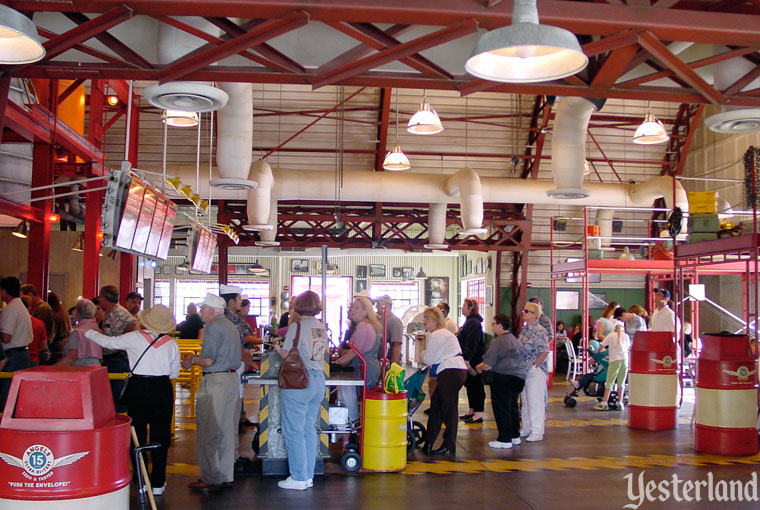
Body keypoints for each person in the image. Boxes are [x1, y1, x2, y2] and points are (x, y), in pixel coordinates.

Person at [85, 304, 180, 496]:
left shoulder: (134, 338)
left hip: (138, 388)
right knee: (160, 436)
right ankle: (158, 483)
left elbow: (108, 343)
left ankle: (141, 480)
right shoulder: (171, 343)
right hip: (162, 389)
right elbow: (174, 372)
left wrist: (88, 331)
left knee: (136, 434)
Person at [182, 293, 241, 491]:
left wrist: (192, 359)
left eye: (202, 308)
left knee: (209, 430)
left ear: (211, 310)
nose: (200, 312)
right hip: (232, 379)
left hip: (215, 381)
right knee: (226, 430)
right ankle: (226, 474)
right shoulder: (231, 326)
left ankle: (211, 475)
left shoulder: (212, 328)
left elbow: (209, 361)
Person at [273, 290, 327, 490]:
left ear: (298, 306)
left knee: (293, 430)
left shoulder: (296, 326)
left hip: (299, 383)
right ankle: (308, 476)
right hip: (318, 380)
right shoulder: (320, 327)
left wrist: (278, 349)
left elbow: (289, 354)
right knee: (308, 429)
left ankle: (298, 477)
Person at [421, 306, 467, 456]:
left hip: (450, 371)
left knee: (447, 408)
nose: (424, 321)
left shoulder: (437, 335)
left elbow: (429, 359)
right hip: (455, 370)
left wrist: (422, 353)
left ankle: (449, 443)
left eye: (427, 318)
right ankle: (429, 442)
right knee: (437, 407)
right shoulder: (445, 334)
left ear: (435, 320)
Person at [477, 313, 527, 449]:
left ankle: (504, 439)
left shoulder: (498, 341)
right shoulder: (513, 339)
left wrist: (479, 367)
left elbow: (489, 363)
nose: (492, 326)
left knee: (501, 408)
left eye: (493, 324)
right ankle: (514, 436)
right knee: (512, 407)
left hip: (503, 377)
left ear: (500, 325)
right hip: (519, 377)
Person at [219, 284, 260, 438]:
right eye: (238, 299)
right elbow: (240, 340)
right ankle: (233, 426)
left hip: (238, 361)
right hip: (232, 363)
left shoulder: (234, 318)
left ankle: (237, 422)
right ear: (230, 301)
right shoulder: (227, 319)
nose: (240, 302)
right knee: (234, 395)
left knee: (238, 394)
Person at [336, 296, 382, 422]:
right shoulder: (371, 325)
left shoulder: (363, 326)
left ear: (365, 311)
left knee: (358, 397)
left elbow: (355, 351)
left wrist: (338, 362)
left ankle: (353, 425)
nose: (352, 310)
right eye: (352, 307)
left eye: (357, 308)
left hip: (366, 369)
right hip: (370, 367)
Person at [98, 285, 138, 412]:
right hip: (111, 357)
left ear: (104, 298)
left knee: (117, 394)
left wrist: (123, 341)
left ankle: (121, 425)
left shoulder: (119, 312)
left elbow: (133, 322)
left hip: (117, 358)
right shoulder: (109, 312)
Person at [518, 302, 550, 442]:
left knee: (535, 401)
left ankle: (537, 431)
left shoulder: (540, 330)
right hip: (523, 370)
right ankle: (526, 427)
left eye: (527, 311)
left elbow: (544, 351)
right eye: (524, 310)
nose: (524, 313)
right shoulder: (525, 330)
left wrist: (535, 365)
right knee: (525, 401)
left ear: (535, 315)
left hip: (535, 371)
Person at [0, 277, 32, 410]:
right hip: (22, 354)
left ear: (4, 291)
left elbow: (6, 337)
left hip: (12, 356)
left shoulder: (11, 309)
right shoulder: (20, 306)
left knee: (7, 394)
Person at [458, 298, 485, 423]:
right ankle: (472, 409)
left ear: (471, 308)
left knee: (476, 385)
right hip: (469, 359)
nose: (462, 308)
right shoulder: (469, 322)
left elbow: (472, 342)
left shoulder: (473, 323)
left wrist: (467, 358)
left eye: (464, 306)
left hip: (474, 361)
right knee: (469, 385)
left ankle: (478, 413)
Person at [594, 322, 631, 411]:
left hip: (614, 360)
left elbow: (601, 346)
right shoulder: (626, 336)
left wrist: (598, 353)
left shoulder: (611, 335)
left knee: (610, 381)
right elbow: (629, 348)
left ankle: (604, 402)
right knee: (621, 382)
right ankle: (620, 403)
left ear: (614, 329)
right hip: (625, 360)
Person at [55, 299, 103, 367]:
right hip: (96, 368)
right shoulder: (97, 330)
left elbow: (72, 357)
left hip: (81, 370)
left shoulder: (78, 332)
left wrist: (52, 368)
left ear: (77, 312)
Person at [21, 295, 48, 366]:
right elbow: (43, 346)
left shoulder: (14, 322)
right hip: (34, 360)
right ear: (29, 307)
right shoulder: (39, 323)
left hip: (17, 359)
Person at [375, 295, 403, 364]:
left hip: (387, 362)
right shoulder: (378, 319)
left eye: (378, 304)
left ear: (386, 305)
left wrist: (392, 365)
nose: (376, 306)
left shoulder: (394, 321)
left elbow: (397, 344)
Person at [46, 291, 71, 364]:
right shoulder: (64, 314)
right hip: (62, 349)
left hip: (54, 350)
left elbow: (52, 334)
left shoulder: (53, 316)